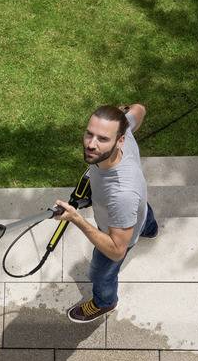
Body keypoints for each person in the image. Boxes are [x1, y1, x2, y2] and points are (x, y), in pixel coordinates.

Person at [53, 104, 158, 323]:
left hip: (118, 223)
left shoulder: (121, 195)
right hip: (138, 209)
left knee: (100, 274)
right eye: (89, 134)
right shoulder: (125, 130)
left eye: (102, 139)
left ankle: (104, 302)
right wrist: (126, 110)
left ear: (119, 140)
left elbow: (118, 251)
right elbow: (140, 109)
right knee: (143, 216)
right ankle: (150, 228)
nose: (91, 144)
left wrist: (76, 219)